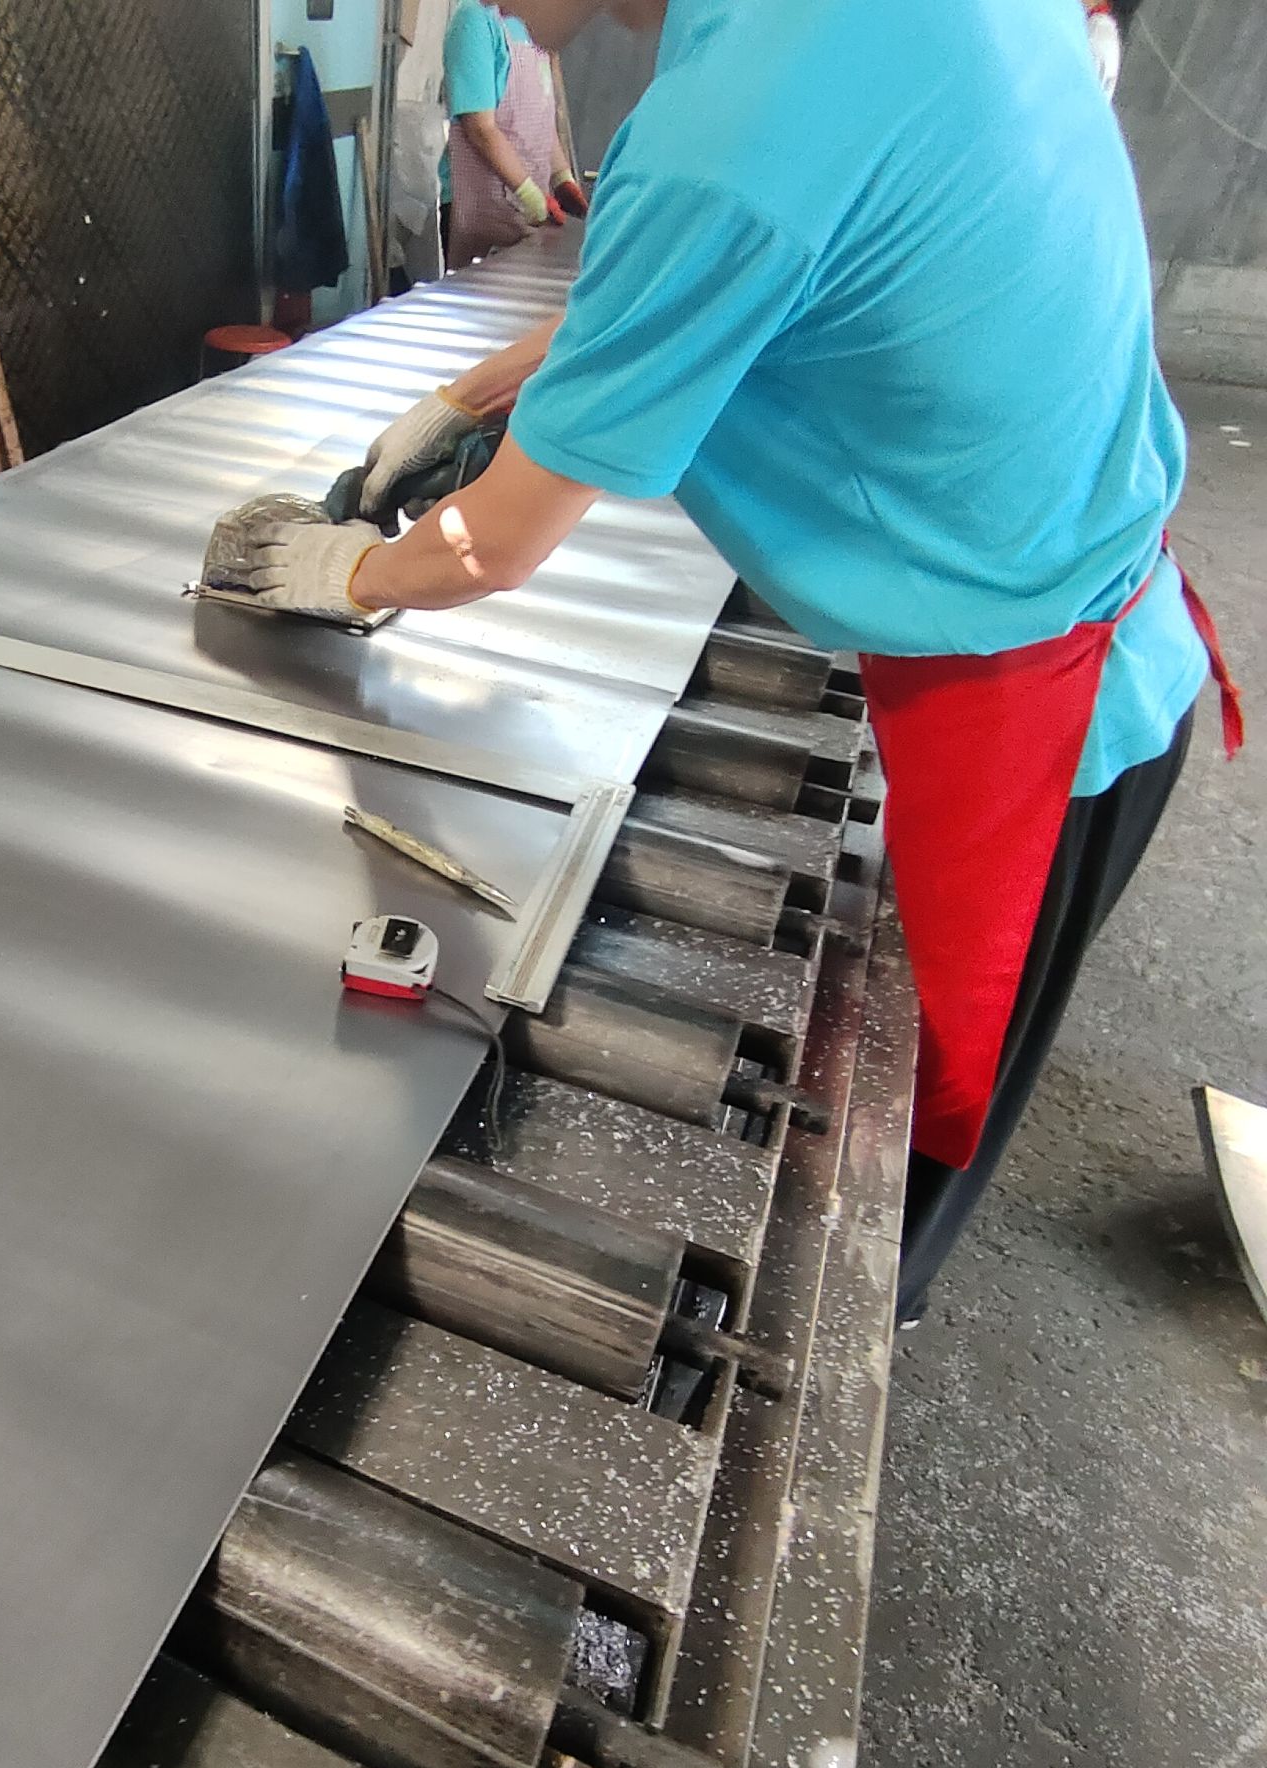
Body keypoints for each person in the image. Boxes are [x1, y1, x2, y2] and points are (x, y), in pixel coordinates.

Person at [240, 0, 1244, 1327]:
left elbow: (494, 547)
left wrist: (344, 574)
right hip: (1051, 597)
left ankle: (875, 1307)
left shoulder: (732, 128)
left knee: (900, 1148)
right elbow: (711, 288)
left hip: (1040, 707)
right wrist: (472, 397)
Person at [442, 2, 588, 268]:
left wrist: (561, 178)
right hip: (480, 209)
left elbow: (540, 119)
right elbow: (480, 128)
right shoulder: (474, 21)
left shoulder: (534, 28)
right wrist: (529, 194)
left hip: (528, 211)